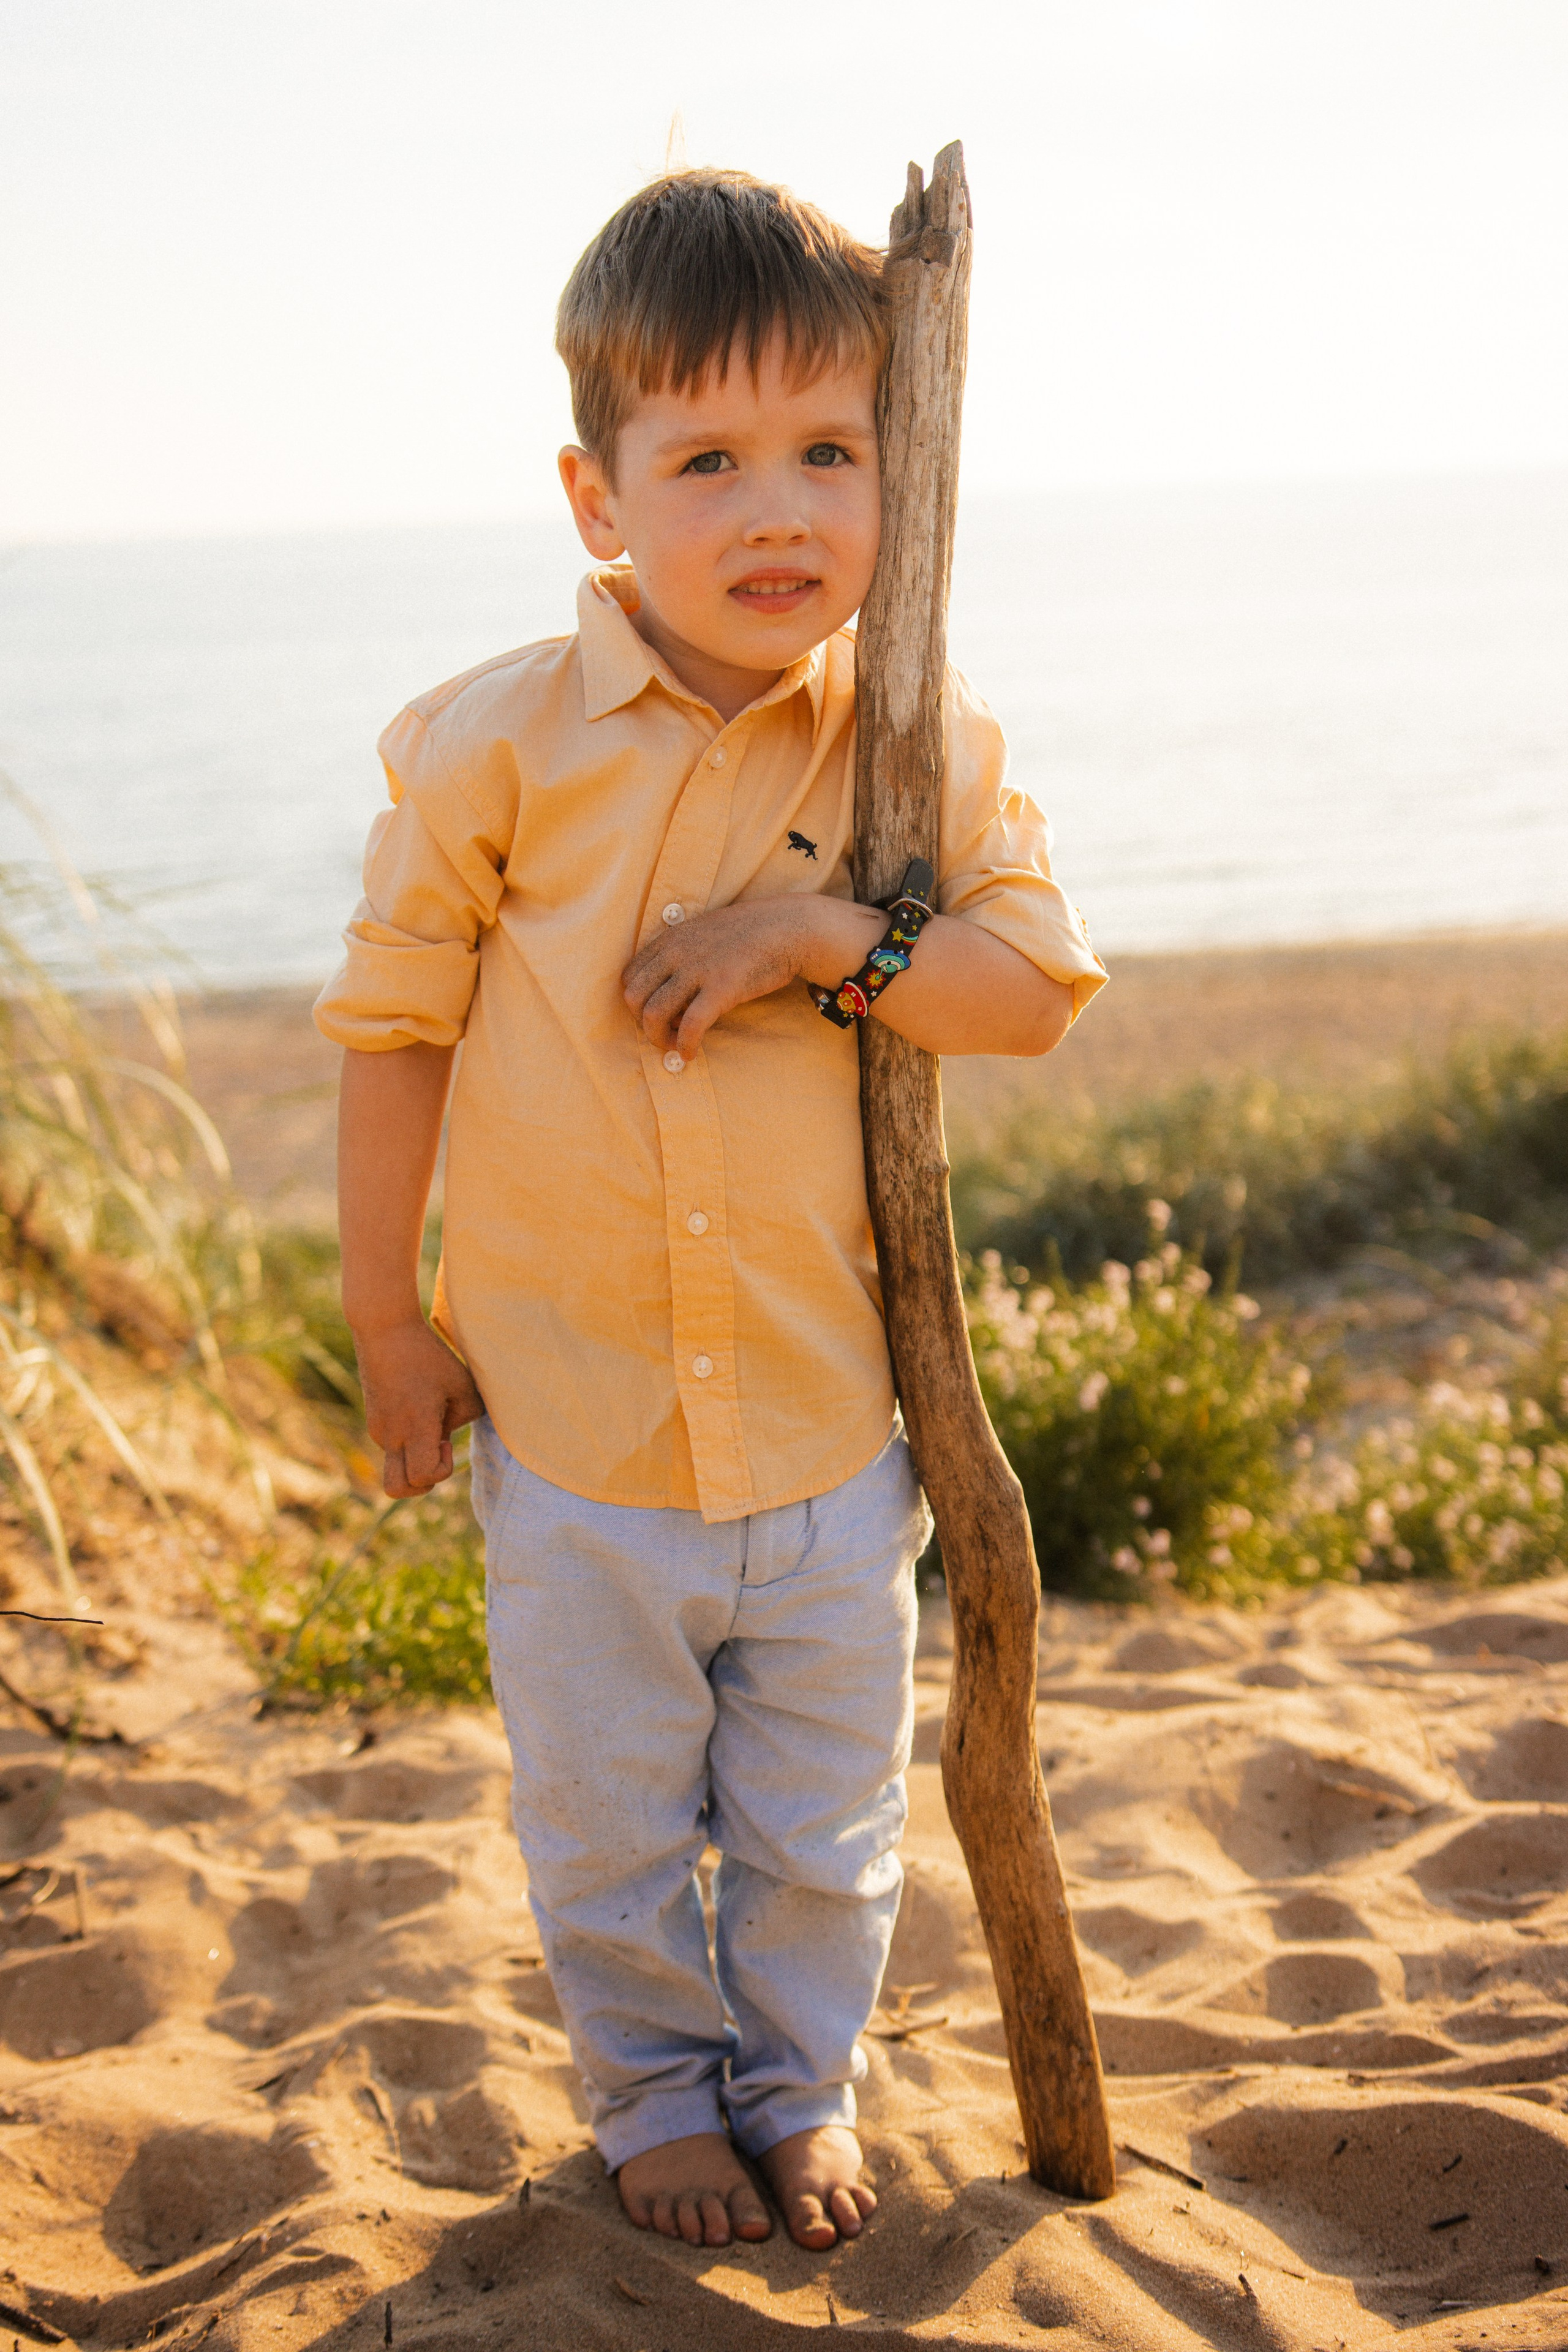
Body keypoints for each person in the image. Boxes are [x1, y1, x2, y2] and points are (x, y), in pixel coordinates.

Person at [314, 167, 1105, 2256]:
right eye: (711, 459)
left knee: (821, 1820)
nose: (779, 510)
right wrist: (391, 1321)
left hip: (835, 1422)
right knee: (603, 1814)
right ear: (600, 494)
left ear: (900, 469)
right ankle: (659, 2096)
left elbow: (1024, 993)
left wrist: (820, 934)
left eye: (832, 452)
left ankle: (800, 2087)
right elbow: (391, 1033)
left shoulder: (911, 745)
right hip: (576, 1429)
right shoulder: (494, 751)